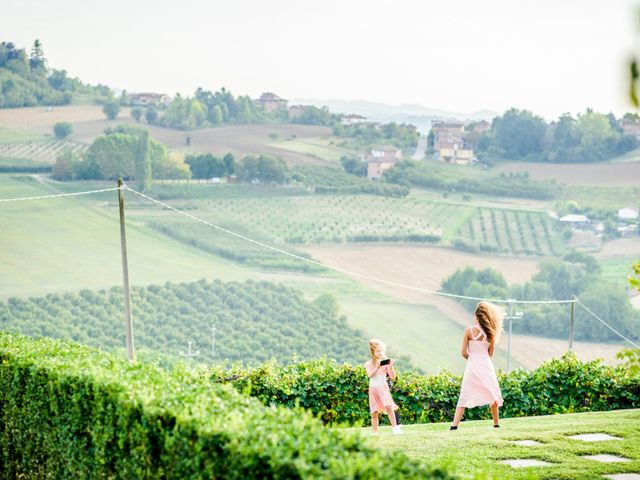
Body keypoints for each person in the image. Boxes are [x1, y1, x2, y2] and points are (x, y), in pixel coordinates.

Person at [450, 301, 504, 430]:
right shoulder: (491, 333)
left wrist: (473, 359)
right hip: (486, 366)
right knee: (492, 394)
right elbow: (490, 354)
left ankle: (454, 426)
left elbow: (463, 352)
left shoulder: (468, 331)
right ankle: (496, 424)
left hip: (472, 366)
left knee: (465, 394)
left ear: (476, 316)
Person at [365, 339, 402, 435]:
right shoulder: (368, 364)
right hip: (373, 389)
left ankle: (395, 428)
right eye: (378, 351)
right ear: (372, 352)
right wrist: (377, 367)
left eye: (381, 350)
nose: (380, 352)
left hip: (383, 388)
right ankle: (375, 432)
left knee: (389, 407)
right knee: (374, 412)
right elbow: (370, 375)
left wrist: (390, 366)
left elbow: (393, 376)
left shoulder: (384, 363)